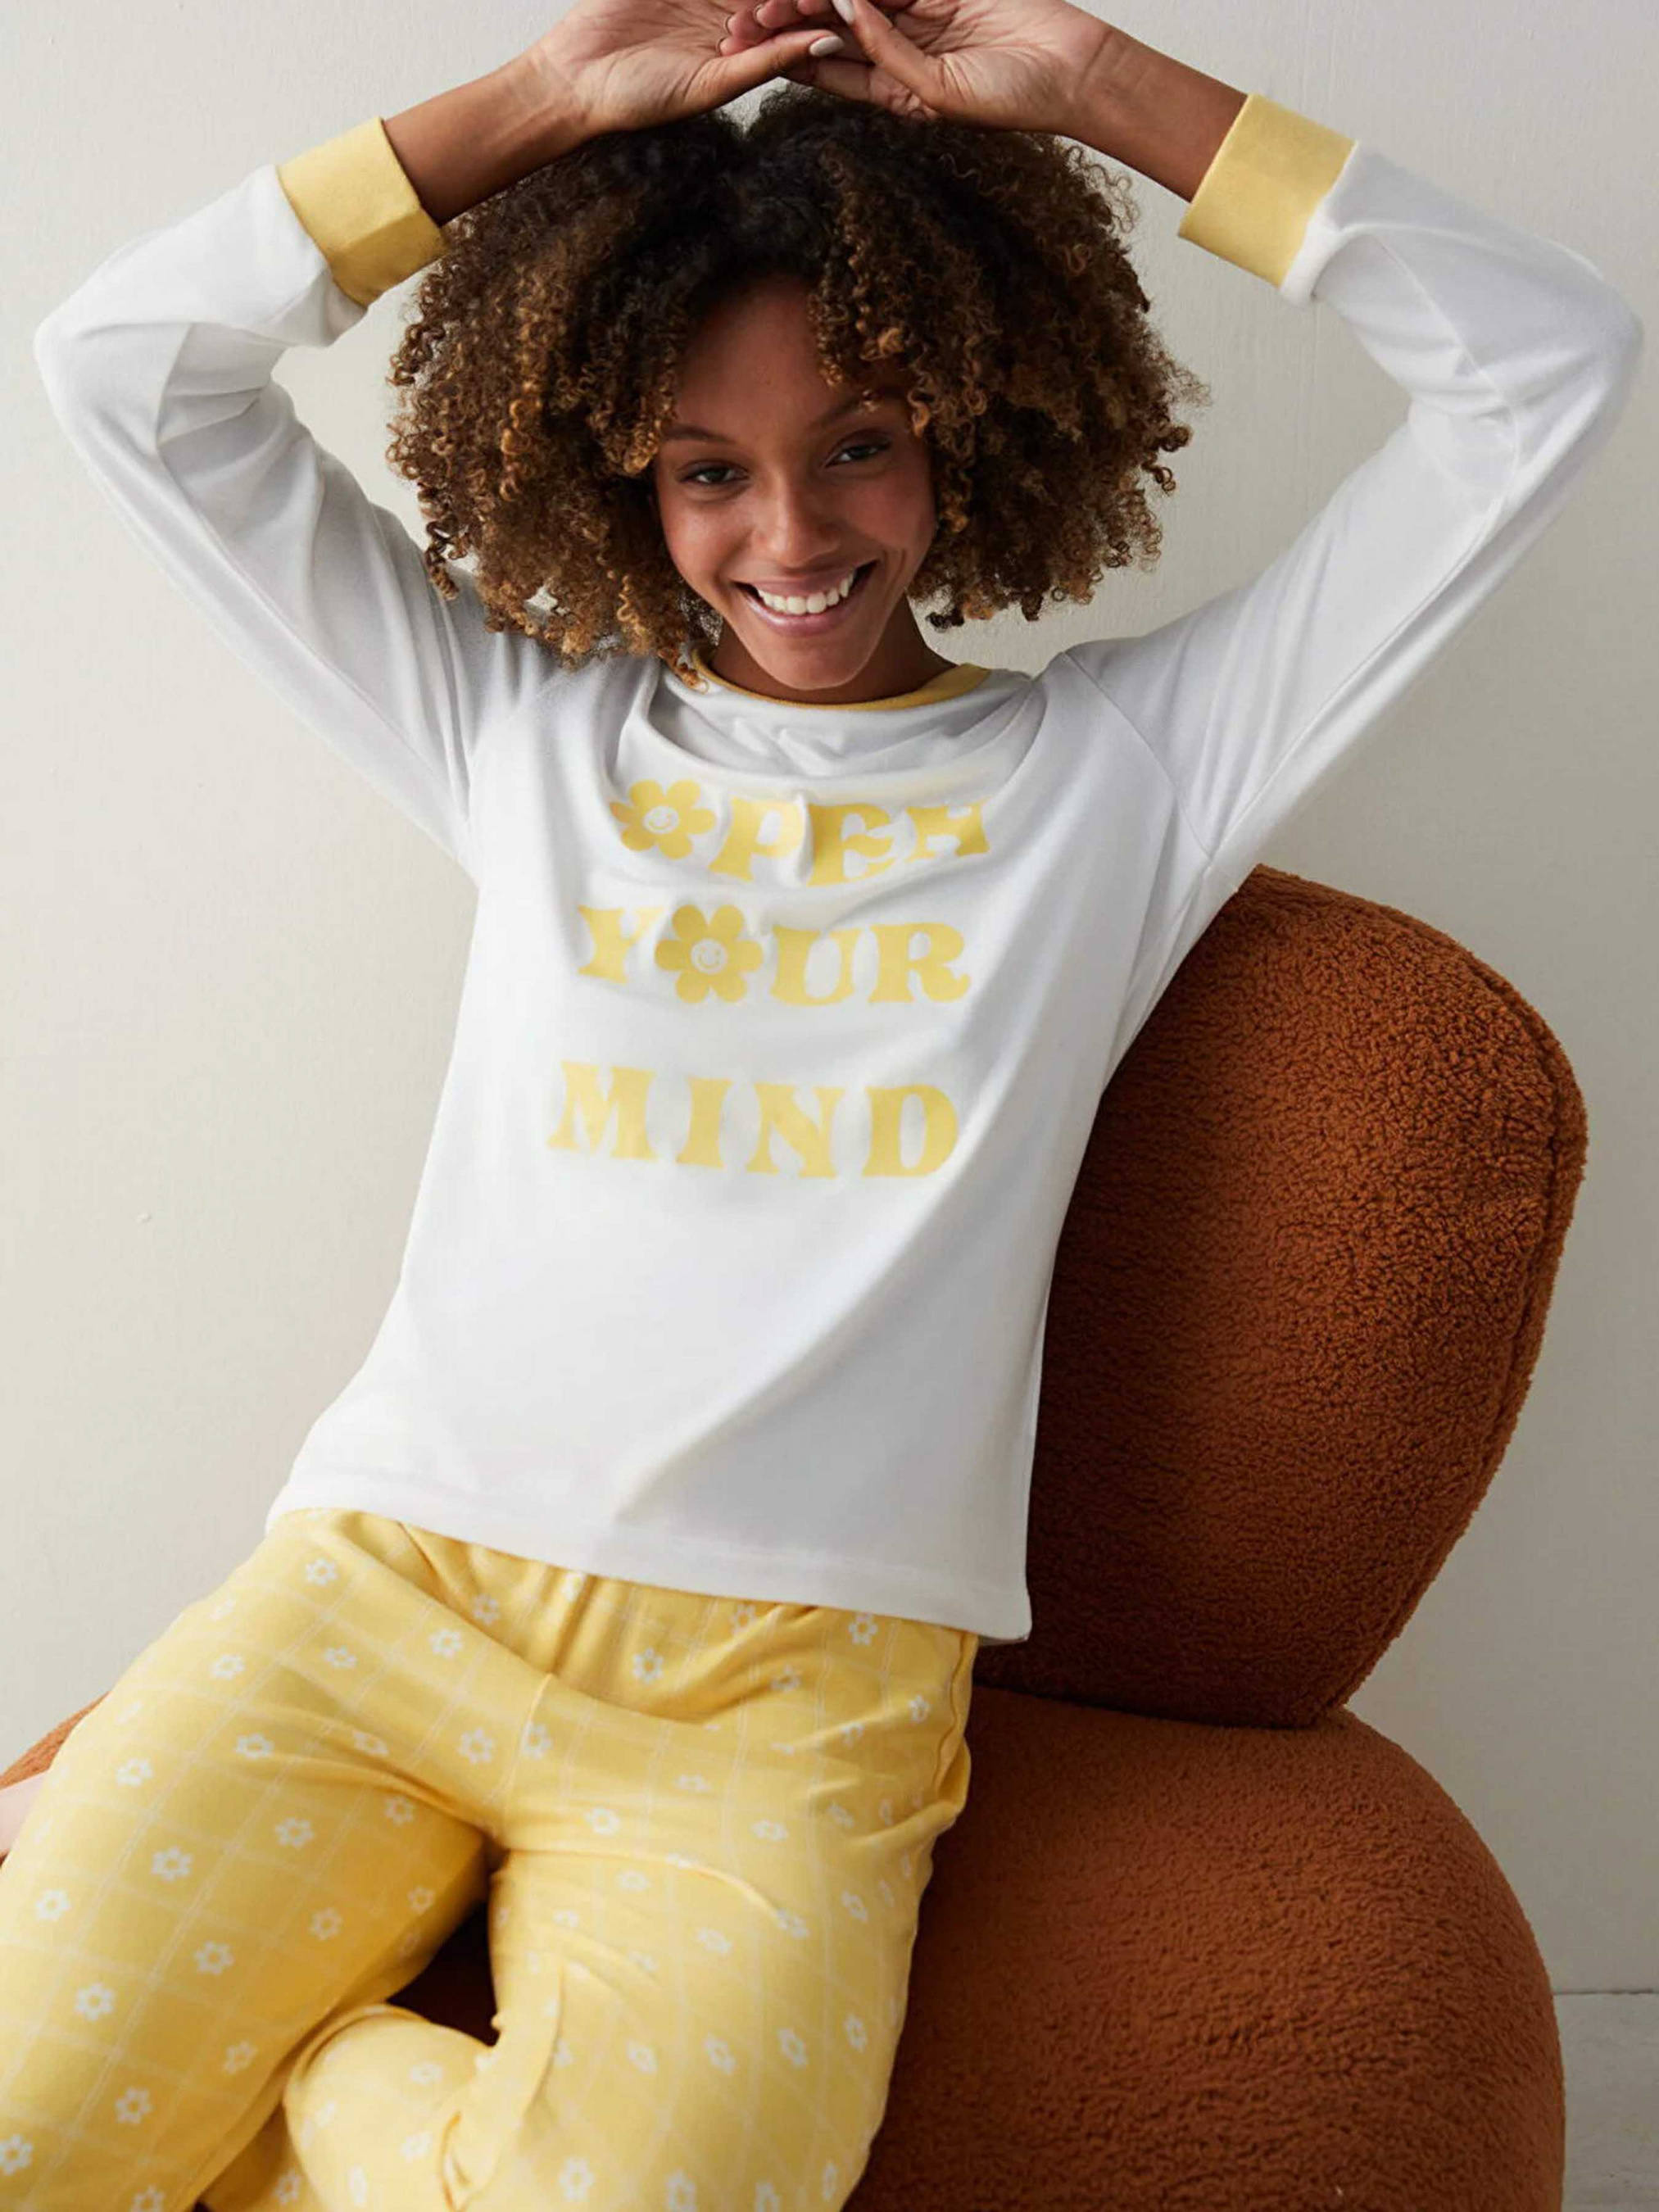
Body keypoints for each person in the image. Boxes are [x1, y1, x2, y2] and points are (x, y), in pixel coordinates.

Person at [3, 0, 1641, 2200]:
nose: (789, 531)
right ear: (621, 477)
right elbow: (124, 367)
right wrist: (538, 106)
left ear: (965, 432)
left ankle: (277, 2067)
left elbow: (1547, 363)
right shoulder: (529, 741)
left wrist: (1099, 93)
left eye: (856, 445)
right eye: (708, 468)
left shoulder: (1123, 777)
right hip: (378, 1599)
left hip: (790, 1704)